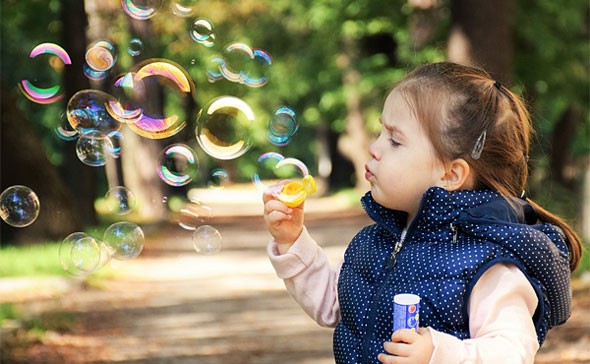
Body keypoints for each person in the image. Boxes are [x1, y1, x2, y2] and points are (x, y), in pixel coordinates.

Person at [262, 62, 583, 363]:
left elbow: (513, 350)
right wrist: (293, 242)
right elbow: (335, 305)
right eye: (380, 133)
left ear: (451, 174)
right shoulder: (375, 242)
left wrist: (438, 353)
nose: (375, 147)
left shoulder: (486, 263)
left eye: (395, 140)